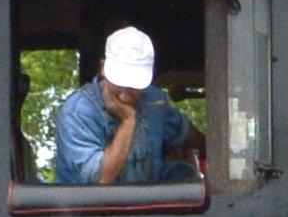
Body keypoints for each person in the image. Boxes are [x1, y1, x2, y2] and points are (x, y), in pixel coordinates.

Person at [41, 25, 199, 187]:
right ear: (103, 68)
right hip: (85, 204)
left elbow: (185, 133)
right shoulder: (77, 113)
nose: (124, 95)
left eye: (134, 86)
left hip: (147, 202)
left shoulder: (154, 100)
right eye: (119, 82)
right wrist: (128, 121)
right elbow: (100, 181)